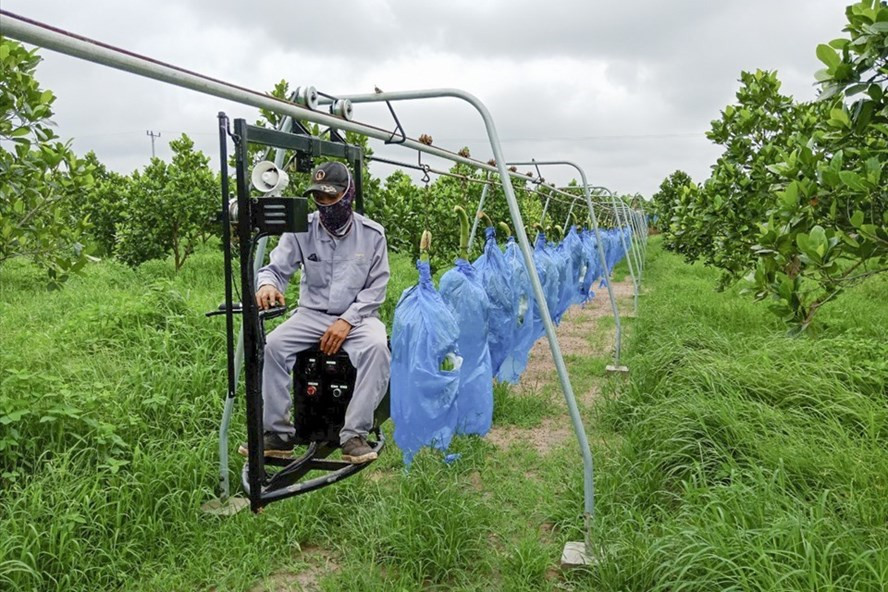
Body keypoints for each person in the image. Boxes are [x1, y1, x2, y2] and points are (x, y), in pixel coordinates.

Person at [238, 161, 390, 463]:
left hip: (357, 317)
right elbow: (275, 268)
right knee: (274, 347)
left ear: (347, 195)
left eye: (331, 197)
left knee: (377, 348)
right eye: (318, 197)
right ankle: (279, 433)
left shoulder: (372, 235)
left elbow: (376, 290)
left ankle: (354, 435)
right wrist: (267, 285)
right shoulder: (301, 229)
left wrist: (347, 321)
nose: (324, 204)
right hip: (312, 314)